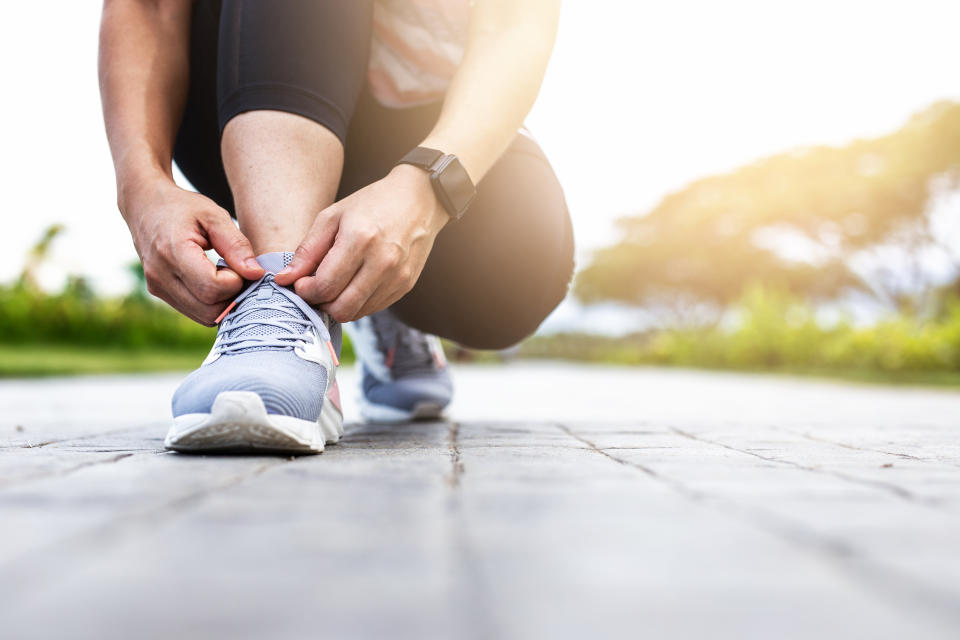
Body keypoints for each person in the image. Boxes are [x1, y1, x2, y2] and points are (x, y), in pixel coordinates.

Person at [98, 0, 574, 454]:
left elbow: (516, 22)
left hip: (428, 116)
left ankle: (373, 300)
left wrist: (428, 188)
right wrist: (141, 188)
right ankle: (281, 308)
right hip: (242, 78)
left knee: (518, 271)